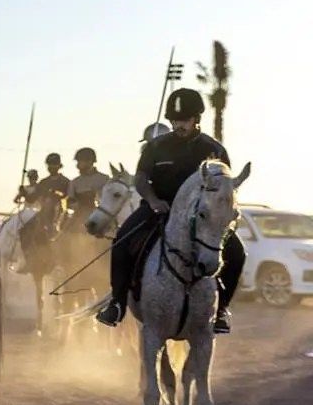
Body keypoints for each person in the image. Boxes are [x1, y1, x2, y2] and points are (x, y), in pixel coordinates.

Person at [96, 88, 244, 334]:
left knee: (238, 252)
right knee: (121, 241)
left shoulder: (215, 150)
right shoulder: (156, 147)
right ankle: (117, 303)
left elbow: (224, 188)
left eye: (184, 120)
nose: (178, 125)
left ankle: (221, 311)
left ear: (196, 119)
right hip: (158, 208)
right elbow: (141, 180)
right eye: (174, 120)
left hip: (200, 217)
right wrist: (153, 200)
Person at [67, 147, 109, 220]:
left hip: (102, 216)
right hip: (80, 217)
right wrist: (78, 204)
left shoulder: (104, 179)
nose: (77, 165)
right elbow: (70, 202)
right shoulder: (75, 182)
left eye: (80, 161)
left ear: (89, 161)